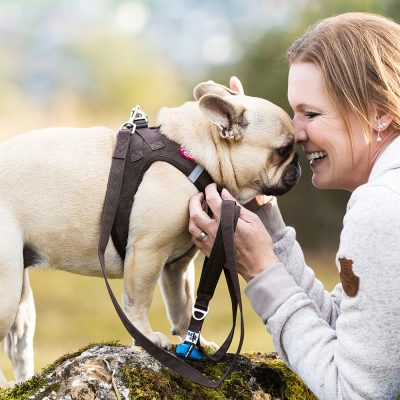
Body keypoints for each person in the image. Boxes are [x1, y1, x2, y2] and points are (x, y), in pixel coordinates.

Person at [188, 12, 400, 400]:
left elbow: (354, 391)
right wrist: (266, 224)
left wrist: (261, 270)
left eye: (311, 113)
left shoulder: (382, 207)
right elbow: (350, 332)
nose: (296, 132)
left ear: (380, 113)